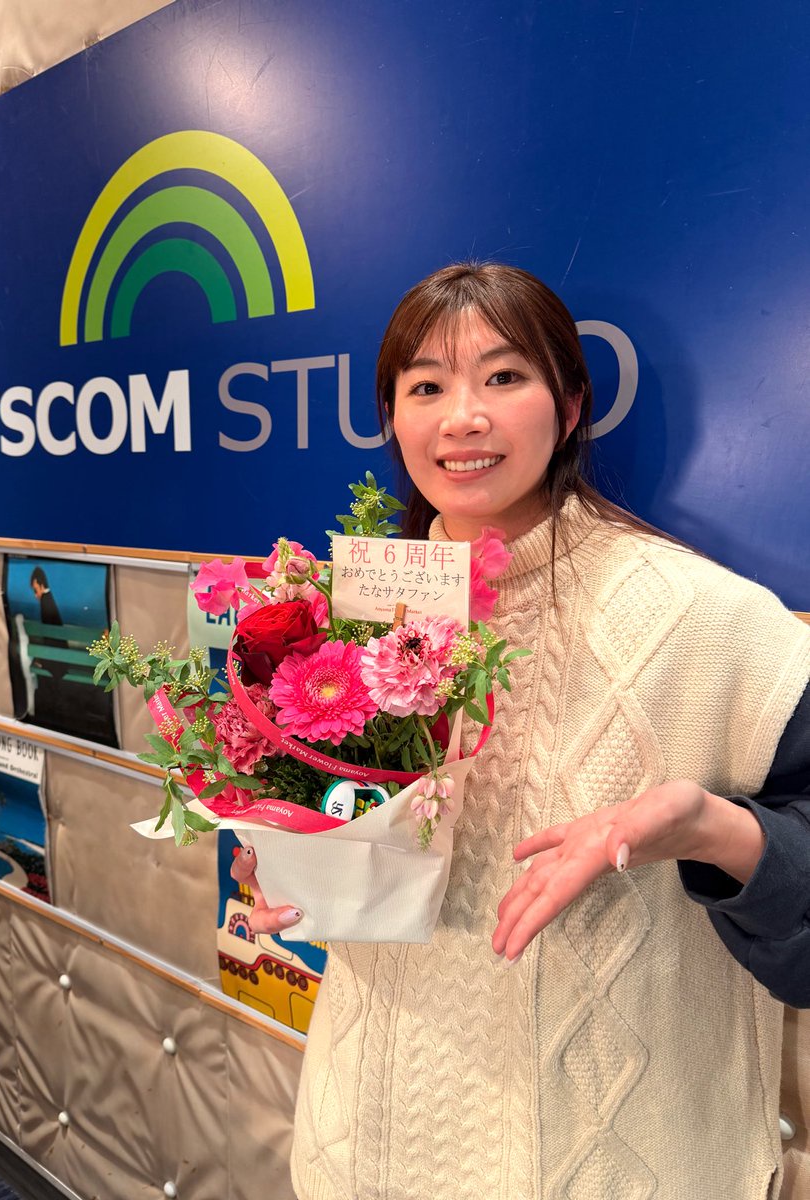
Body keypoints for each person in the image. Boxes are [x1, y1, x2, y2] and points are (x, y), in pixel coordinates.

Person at [233, 263, 810, 1199]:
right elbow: (348, 839)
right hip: (363, 1146)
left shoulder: (706, 620)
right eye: (427, 387)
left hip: (613, 1170)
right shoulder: (346, 615)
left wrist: (707, 829)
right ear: (392, 419)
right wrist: (297, 867)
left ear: (571, 406)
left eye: (504, 377)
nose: (463, 417)